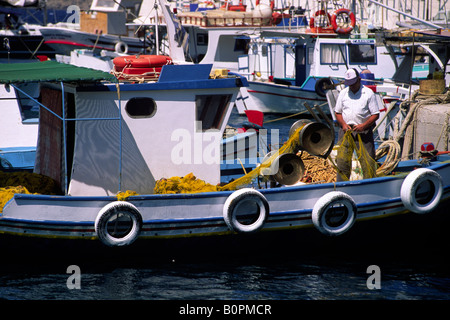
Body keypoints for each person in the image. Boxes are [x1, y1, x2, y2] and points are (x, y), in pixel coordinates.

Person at [334, 68, 379, 181]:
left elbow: (375, 114)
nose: (351, 86)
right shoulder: (343, 93)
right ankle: (342, 186)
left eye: (353, 84)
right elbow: (338, 112)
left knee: (367, 162)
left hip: (363, 131)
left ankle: (369, 185)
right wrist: (344, 125)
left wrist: (364, 126)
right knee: (343, 162)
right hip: (346, 131)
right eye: (349, 84)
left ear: (359, 80)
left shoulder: (368, 93)